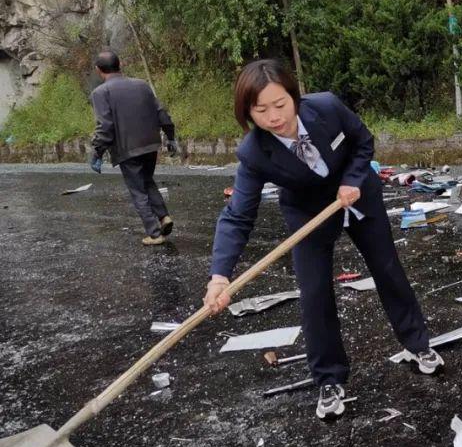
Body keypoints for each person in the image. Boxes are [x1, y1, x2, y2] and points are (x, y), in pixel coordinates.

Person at [202, 59, 443, 420]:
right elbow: (237, 215)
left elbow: (363, 142)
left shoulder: (327, 108)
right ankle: (329, 379)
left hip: (358, 195)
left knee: (387, 269)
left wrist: (353, 180)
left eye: (280, 104)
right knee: (314, 293)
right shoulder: (253, 152)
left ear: (293, 97)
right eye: (261, 110)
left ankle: (417, 344)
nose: (274, 117)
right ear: (248, 112)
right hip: (308, 215)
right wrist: (220, 276)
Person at [89, 50, 178, 245]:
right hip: (150, 144)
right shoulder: (141, 85)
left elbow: (105, 126)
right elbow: (161, 112)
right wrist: (171, 137)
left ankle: (154, 234)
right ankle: (164, 216)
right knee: (147, 181)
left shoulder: (101, 93)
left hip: (127, 149)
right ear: (120, 65)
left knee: (138, 190)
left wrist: (97, 152)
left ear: (98, 70)